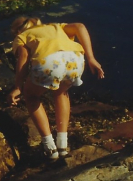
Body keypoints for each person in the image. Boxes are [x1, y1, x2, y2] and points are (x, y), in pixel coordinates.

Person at [7, 17, 104, 159]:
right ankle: (63, 145)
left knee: (31, 96)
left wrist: (18, 87)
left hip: (49, 62)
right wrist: (91, 58)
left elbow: (24, 56)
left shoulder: (21, 37)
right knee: (61, 92)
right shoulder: (56, 26)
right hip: (75, 59)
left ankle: (50, 147)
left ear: (17, 31)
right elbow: (80, 26)